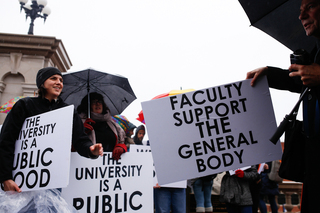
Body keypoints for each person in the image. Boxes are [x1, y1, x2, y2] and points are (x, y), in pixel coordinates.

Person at [246, 0, 320, 211]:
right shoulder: (316, 50)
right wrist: (270, 73)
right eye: (300, 9)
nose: (301, 16)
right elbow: (302, 82)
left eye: (311, 6)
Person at [0, 67, 103, 211]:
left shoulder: (68, 111)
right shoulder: (25, 105)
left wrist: (91, 150)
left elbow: (80, 140)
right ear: (42, 83)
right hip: (21, 181)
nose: (59, 83)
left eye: (61, 80)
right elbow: (6, 141)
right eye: (53, 78)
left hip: (52, 182)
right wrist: (5, 177)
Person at [77, 92, 127, 160]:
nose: (97, 104)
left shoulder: (112, 123)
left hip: (109, 166)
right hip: (87, 166)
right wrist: (81, 131)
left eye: (100, 101)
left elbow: (123, 141)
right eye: (94, 102)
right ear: (87, 105)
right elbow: (72, 145)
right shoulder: (79, 122)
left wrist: (121, 147)